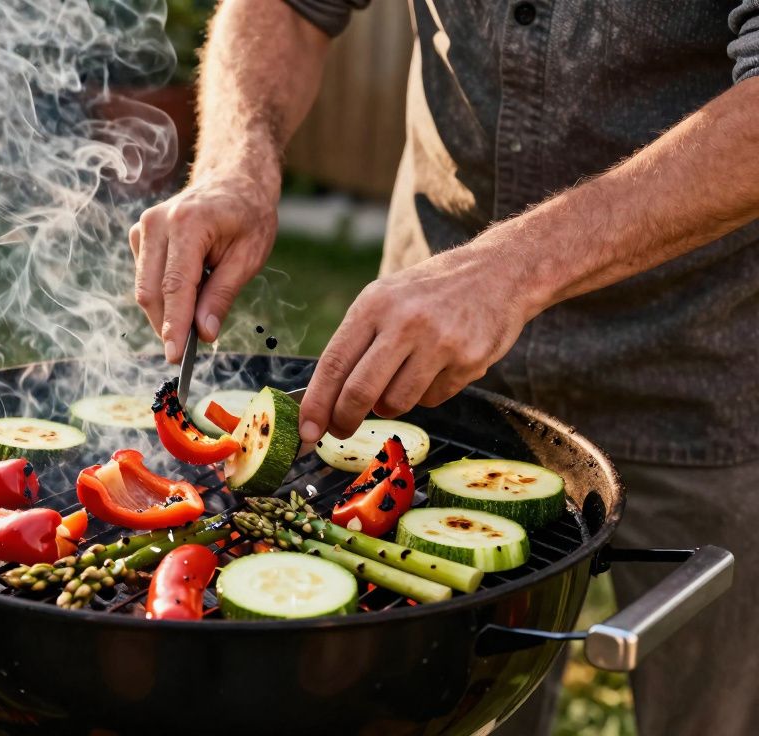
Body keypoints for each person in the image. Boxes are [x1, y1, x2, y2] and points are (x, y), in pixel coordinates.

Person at [129, 1, 759, 733]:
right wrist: (234, 164)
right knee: (447, 703)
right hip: (428, 356)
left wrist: (512, 268)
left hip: (708, 361)